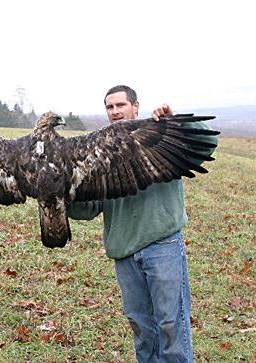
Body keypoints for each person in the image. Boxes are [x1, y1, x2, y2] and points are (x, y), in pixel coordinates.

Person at [68, 85, 218, 362]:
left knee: (171, 325)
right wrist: (59, 193)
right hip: (124, 252)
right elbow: (88, 208)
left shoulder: (159, 137)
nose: (115, 112)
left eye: (120, 105)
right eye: (110, 107)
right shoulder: (102, 157)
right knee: (142, 330)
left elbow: (207, 145)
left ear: (135, 106)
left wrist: (178, 123)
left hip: (162, 246)